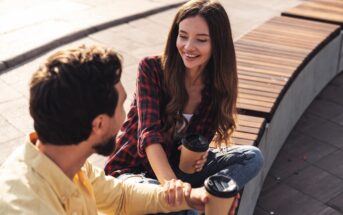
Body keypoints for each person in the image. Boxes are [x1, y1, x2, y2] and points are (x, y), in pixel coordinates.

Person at [0, 45, 209, 215]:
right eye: (121, 106)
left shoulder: (66, 162)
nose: (125, 116)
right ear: (99, 124)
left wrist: (188, 197)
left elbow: (120, 197)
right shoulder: (26, 207)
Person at [105, 0, 264, 212]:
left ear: (218, 44)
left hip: (177, 170)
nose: (188, 47)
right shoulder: (151, 69)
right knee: (186, 209)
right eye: (183, 36)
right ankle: (198, 202)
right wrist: (174, 186)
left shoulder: (216, 88)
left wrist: (200, 156)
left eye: (201, 40)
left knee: (252, 157)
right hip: (133, 173)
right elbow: (149, 135)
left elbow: (193, 149)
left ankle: (210, 195)